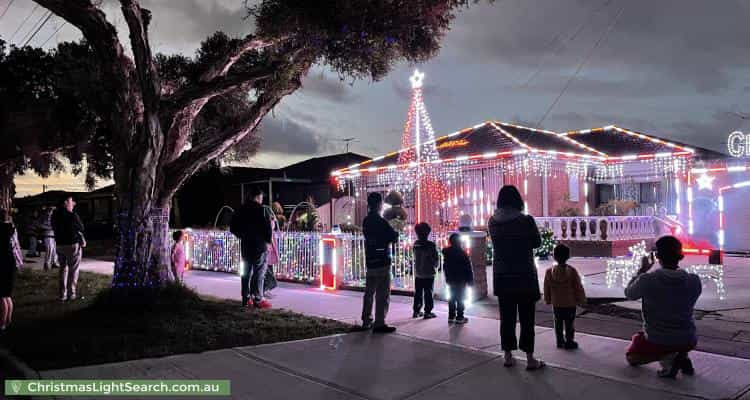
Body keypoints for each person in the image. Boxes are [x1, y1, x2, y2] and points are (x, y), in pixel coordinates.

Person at [624, 236, 702, 378]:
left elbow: (629, 293)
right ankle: (681, 356)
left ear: (657, 255)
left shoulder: (647, 280)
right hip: (688, 338)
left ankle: (669, 359)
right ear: (680, 256)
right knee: (677, 341)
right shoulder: (694, 281)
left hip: (658, 338)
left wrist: (642, 270)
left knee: (632, 357)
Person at [488, 185, 545, 370]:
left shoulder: (493, 222)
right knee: (527, 318)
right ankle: (530, 358)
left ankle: (507, 355)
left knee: (507, 317)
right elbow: (537, 242)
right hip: (524, 275)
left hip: (503, 275)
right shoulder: (526, 220)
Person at [361, 192, 399, 333]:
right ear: (379, 204)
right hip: (382, 261)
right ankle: (379, 322)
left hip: (370, 260)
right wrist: (395, 231)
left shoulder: (366, 221)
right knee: (382, 294)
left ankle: (366, 320)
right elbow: (392, 237)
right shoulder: (382, 222)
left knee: (369, 292)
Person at [230, 187, 272, 309]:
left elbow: (233, 227)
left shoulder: (241, 210)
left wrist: (242, 235)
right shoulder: (262, 210)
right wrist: (268, 241)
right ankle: (257, 299)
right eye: (261, 198)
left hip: (246, 245)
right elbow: (267, 227)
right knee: (259, 272)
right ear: (258, 197)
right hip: (259, 246)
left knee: (246, 273)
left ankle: (245, 298)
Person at [544, 244, 586, 349]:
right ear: (568, 256)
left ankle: (559, 341)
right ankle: (569, 341)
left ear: (554, 256)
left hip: (556, 302)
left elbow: (546, 287)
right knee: (569, 323)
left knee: (558, 323)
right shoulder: (572, 271)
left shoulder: (549, 272)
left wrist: (547, 299)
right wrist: (581, 299)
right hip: (570, 302)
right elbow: (578, 287)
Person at [52, 196, 86, 302]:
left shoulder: (54, 216)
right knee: (73, 269)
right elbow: (81, 227)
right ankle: (71, 293)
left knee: (63, 269)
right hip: (72, 245)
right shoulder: (72, 215)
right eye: (72, 202)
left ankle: (62, 295)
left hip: (59, 244)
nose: (74, 204)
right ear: (65, 203)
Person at [442, 233, 474, 325]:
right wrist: (470, 281)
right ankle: (460, 317)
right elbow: (468, 268)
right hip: (461, 280)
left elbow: (445, 267)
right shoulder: (463, 254)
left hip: (450, 280)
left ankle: (451, 316)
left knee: (452, 298)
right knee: (461, 298)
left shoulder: (447, 253)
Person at [1, 209, 23, 330]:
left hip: (4, 264)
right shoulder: (12, 228)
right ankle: (8, 320)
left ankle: (2, 323)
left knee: (2, 296)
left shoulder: (3, 230)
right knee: (7, 295)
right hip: (11, 263)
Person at [412, 222, 439, 319]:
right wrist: (435, 264)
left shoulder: (416, 244)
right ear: (428, 233)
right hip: (428, 273)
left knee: (418, 293)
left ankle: (416, 311)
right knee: (428, 293)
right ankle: (428, 312)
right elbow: (435, 260)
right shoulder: (431, 245)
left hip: (418, 273)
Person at [38, 207, 58, 271]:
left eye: (52, 211)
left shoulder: (53, 218)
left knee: (54, 250)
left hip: (53, 235)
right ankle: (47, 264)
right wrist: (50, 227)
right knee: (49, 250)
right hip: (47, 235)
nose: (51, 212)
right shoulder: (43, 218)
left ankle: (54, 262)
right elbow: (40, 225)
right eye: (50, 211)